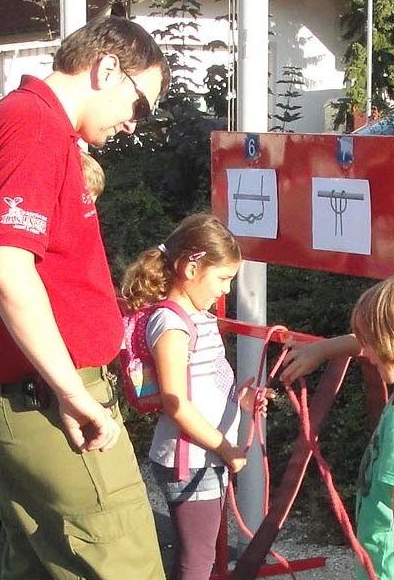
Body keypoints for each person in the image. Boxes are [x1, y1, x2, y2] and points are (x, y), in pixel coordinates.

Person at [0, 15, 170, 579]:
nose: (133, 126)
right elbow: (6, 268)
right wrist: (72, 392)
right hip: (47, 400)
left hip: (23, 395)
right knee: (122, 561)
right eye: (140, 105)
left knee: (44, 566)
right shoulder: (35, 128)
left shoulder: (24, 122)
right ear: (107, 68)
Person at [280, 270, 394, 580]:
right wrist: (323, 350)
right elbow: (368, 343)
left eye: (373, 346)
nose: (366, 354)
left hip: (391, 566)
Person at [120, 213, 264, 580]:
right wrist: (227, 449)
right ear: (190, 267)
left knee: (199, 554)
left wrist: (240, 401)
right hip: (192, 459)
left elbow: (202, 385)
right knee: (197, 559)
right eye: (223, 278)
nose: (227, 290)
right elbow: (177, 403)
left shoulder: (195, 315)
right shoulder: (171, 323)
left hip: (204, 455)